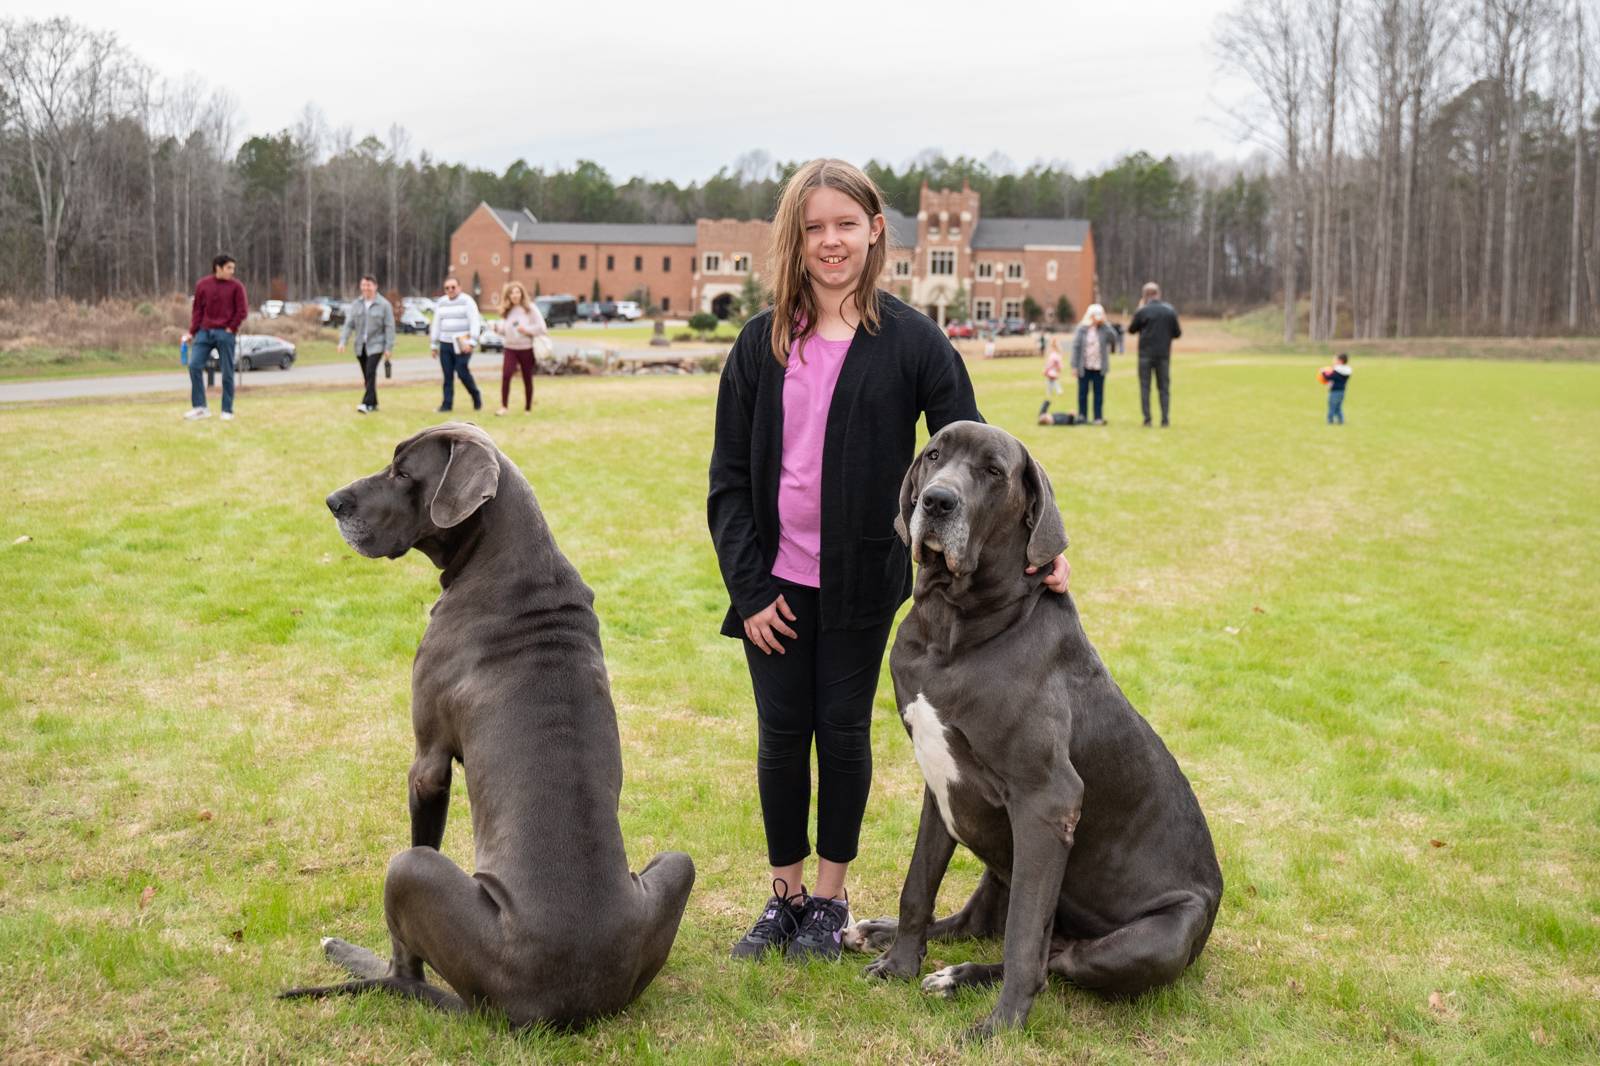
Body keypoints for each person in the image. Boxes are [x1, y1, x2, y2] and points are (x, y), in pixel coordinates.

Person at [707, 158, 1070, 963]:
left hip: (862, 587)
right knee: (779, 736)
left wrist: (1044, 550)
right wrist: (751, 587)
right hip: (774, 588)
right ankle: (784, 896)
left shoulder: (913, 341)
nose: (830, 242)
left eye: (845, 224)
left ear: (876, 230)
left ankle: (829, 904)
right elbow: (728, 482)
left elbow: (982, 464)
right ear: (794, 241)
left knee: (840, 735)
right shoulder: (758, 346)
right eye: (814, 228)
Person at [181, 254, 248, 421]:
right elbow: (197, 311)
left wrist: (231, 328)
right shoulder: (203, 285)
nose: (232, 272)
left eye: (233, 268)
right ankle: (200, 408)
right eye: (229, 268)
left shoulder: (236, 287)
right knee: (194, 365)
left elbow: (242, 311)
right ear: (218, 268)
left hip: (225, 334)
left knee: (227, 372)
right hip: (204, 332)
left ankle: (227, 410)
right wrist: (192, 332)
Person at [337, 274, 396, 414]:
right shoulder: (356, 304)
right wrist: (342, 341)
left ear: (375, 286)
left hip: (376, 345)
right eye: (363, 285)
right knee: (367, 375)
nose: (366, 288)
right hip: (360, 346)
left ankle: (366, 404)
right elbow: (348, 324)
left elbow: (389, 327)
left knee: (370, 371)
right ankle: (374, 403)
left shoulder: (384, 305)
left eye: (368, 285)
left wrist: (388, 347)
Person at [1127, 281, 1182, 427]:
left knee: (1145, 387)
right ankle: (1165, 419)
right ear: (1158, 294)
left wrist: (1139, 310)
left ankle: (1147, 419)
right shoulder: (1169, 311)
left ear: (1145, 296)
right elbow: (1177, 333)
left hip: (1145, 355)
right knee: (1164, 388)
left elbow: (1131, 330)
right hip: (1163, 355)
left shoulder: (1142, 311)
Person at [428, 276, 483, 412]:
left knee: (462, 371)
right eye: (447, 288)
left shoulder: (467, 301)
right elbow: (436, 324)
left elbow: (474, 321)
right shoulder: (441, 303)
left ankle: (475, 394)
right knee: (447, 375)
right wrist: (434, 345)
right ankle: (447, 404)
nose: (450, 290)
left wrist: (472, 341)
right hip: (445, 343)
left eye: (453, 287)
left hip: (462, 343)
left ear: (459, 287)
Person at [494, 282, 548, 415]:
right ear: (508, 296)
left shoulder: (530, 308)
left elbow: (542, 328)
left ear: (522, 294)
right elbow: (505, 329)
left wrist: (526, 330)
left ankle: (528, 408)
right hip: (510, 348)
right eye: (512, 293)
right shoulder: (507, 310)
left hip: (526, 348)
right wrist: (497, 328)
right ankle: (504, 407)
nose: (515, 295)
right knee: (506, 375)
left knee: (527, 377)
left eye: (517, 292)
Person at [1071, 303, 1118, 426]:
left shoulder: (1104, 329)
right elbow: (1075, 348)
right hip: (1084, 366)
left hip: (1099, 367)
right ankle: (1082, 416)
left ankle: (1098, 417)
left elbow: (1114, 339)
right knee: (1083, 393)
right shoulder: (1081, 329)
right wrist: (1074, 366)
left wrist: (1105, 323)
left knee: (1098, 394)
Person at [1322, 351, 1352, 424]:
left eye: (1335, 360)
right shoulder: (1346, 371)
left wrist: (1323, 372)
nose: (1334, 361)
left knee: (1332, 406)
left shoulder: (1337, 371)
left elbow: (1328, 377)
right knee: (1338, 407)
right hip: (1342, 391)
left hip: (1334, 391)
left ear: (1340, 361)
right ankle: (1341, 420)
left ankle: (1330, 421)